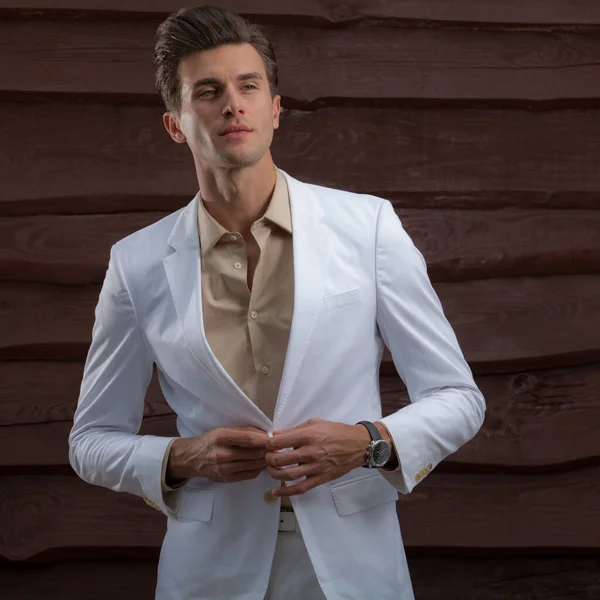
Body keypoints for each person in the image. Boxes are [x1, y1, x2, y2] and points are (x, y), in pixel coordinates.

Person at [68, 5, 486, 600]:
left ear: (275, 109)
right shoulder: (135, 264)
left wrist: (369, 440)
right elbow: (91, 441)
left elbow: (458, 399)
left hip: (354, 567)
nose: (232, 104)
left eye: (248, 86)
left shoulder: (367, 227)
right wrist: (183, 456)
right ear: (176, 124)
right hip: (208, 574)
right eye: (207, 91)